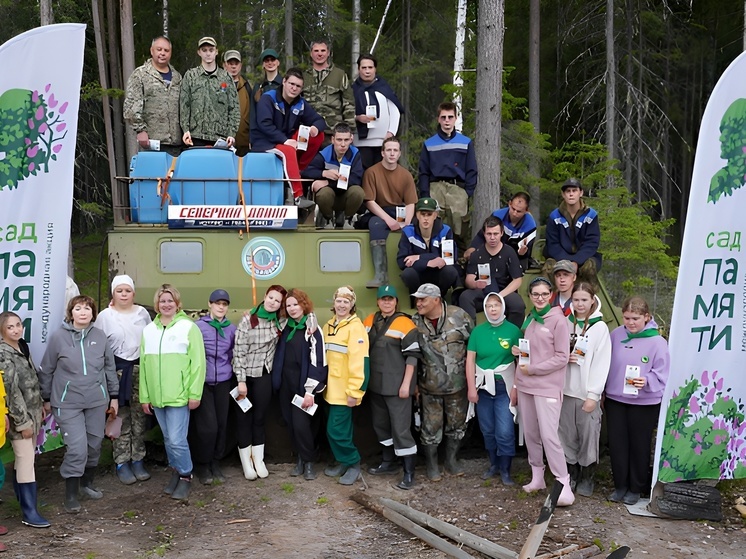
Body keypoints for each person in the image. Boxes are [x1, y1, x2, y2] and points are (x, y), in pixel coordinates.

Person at [39, 295, 119, 513]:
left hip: (96, 400)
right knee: (77, 448)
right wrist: (46, 399)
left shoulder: (100, 336)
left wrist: (114, 396)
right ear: (71, 313)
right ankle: (71, 495)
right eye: (78, 308)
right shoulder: (58, 338)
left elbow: (109, 368)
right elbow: (47, 369)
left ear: (93, 313)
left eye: (87, 308)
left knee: (94, 445)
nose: (83, 312)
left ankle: (86, 485)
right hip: (67, 402)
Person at [511, 277, 574, 507]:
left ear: (551, 295)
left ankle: (563, 483)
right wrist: (520, 358)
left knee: (549, 435)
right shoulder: (531, 319)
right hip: (526, 385)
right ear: (530, 296)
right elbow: (531, 352)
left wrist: (535, 369)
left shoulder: (559, 321)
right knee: (531, 434)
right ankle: (537, 477)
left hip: (546, 386)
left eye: (543, 294)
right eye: (535, 294)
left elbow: (562, 357)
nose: (539, 298)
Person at [140, 285, 206, 501]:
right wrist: (145, 396)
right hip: (157, 397)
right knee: (168, 439)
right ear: (157, 305)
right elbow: (144, 364)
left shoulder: (188, 328)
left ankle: (186, 475)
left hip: (179, 395)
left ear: (178, 304)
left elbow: (198, 364)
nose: (166, 305)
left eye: (170, 301)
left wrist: (194, 393)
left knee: (177, 439)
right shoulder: (149, 330)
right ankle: (176, 471)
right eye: (162, 301)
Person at [605, 296, 670, 506]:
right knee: (617, 444)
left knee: (639, 445)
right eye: (627, 318)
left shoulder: (658, 342)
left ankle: (636, 487)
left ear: (646, 317)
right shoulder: (616, 335)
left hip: (644, 402)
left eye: (635, 318)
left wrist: (647, 380)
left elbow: (663, 372)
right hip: (616, 398)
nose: (630, 322)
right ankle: (620, 485)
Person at [94, 275, 152, 486]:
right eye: (120, 291)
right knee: (120, 417)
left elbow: (151, 338)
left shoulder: (142, 313)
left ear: (133, 293)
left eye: (127, 291)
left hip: (139, 369)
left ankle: (138, 458)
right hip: (117, 371)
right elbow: (99, 347)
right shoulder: (105, 316)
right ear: (113, 293)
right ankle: (121, 462)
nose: (124, 294)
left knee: (139, 417)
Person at [412, 283, 473, 481]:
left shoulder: (459, 316)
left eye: (423, 299)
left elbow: (473, 346)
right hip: (428, 387)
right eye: (417, 299)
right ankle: (431, 465)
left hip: (457, 386)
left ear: (436, 300)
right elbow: (410, 356)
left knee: (457, 426)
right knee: (430, 429)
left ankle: (451, 461)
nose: (418, 303)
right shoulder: (414, 322)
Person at [363, 285, 421, 490]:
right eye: (383, 299)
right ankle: (388, 463)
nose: (386, 302)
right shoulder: (370, 320)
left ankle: (408, 473)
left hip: (398, 386)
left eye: (390, 299)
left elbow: (413, 357)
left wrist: (407, 385)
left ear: (396, 301)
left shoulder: (405, 323)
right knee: (381, 426)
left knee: (401, 429)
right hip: (376, 385)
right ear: (378, 301)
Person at [559, 282, 611, 497]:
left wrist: (593, 394)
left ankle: (587, 475)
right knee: (566, 435)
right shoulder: (565, 322)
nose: (579, 304)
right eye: (576, 299)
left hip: (586, 392)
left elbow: (601, 361)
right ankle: (569, 473)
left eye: (584, 300)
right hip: (565, 390)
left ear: (592, 300)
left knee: (588, 436)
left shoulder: (599, 327)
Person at [232, 285, 288, 481]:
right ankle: (246, 463)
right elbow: (238, 351)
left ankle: (259, 460)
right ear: (265, 297)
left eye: (277, 300)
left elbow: (304, 314)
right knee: (244, 419)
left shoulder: (280, 321)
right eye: (271, 298)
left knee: (260, 418)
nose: (273, 302)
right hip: (246, 376)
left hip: (265, 375)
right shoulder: (249, 319)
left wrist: (313, 318)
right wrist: (241, 381)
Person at [465, 293, 521, 485]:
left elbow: (520, 361)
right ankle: (493, 465)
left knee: (504, 430)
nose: (493, 309)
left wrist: (515, 388)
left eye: (496, 305)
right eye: (489, 306)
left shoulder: (514, 331)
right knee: (487, 429)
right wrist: (471, 388)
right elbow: (470, 360)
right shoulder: (478, 332)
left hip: (504, 385)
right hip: (483, 387)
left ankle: (506, 470)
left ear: (502, 307)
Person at [0, 312, 50, 528]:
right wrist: (22, 422)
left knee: (25, 460)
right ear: (2, 330)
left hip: (33, 411)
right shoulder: (4, 353)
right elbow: (11, 390)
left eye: (18, 325)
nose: (16, 330)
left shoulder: (22, 346)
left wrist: (39, 405)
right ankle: (29, 511)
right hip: (20, 417)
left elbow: (31, 380)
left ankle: (23, 502)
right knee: (26, 460)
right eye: (10, 327)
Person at [271, 289, 327, 481]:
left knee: (302, 425)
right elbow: (266, 310)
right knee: (291, 424)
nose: (292, 308)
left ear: (304, 305)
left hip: (304, 386)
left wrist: (310, 391)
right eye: (289, 305)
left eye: (296, 304)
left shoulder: (312, 329)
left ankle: (310, 461)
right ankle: (301, 460)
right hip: (286, 384)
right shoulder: (285, 326)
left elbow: (318, 361)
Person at [252, 68, 325, 206]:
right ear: (284, 82)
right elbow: (264, 124)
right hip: (265, 142)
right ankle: (298, 196)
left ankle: (298, 170)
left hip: (286, 140)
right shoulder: (268, 98)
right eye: (291, 84)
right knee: (288, 150)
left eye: (298, 86)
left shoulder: (300, 103)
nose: (294, 88)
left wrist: (315, 127)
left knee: (318, 136)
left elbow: (320, 121)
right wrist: (285, 141)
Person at [323, 286, 369, 486]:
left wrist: (355, 391)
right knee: (337, 430)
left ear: (352, 305)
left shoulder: (355, 327)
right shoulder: (328, 326)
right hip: (329, 390)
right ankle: (343, 461)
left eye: (346, 301)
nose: (341, 305)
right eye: (339, 301)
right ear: (334, 303)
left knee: (336, 430)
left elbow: (360, 361)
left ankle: (353, 464)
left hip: (344, 391)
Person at [418, 102, 478, 248]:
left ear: (455, 118)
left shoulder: (465, 142)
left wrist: (467, 192)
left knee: (459, 225)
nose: (446, 121)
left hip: (457, 188)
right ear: (438, 119)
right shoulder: (429, 144)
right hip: (435, 187)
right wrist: (425, 194)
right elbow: (423, 171)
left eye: (450, 117)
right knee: (436, 224)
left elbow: (471, 169)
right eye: (443, 117)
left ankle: (460, 258)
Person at [192, 289, 236, 485]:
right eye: (217, 303)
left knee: (221, 424)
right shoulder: (198, 327)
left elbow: (236, 352)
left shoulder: (231, 328)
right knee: (206, 427)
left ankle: (216, 462)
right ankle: (203, 463)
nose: (221, 307)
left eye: (224, 304)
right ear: (209, 304)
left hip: (224, 381)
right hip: (204, 382)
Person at [360, 137, 418, 288]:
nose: (392, 153)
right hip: (379, 211)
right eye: (389, 150)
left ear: (399, 154)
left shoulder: (406, 175)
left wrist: (406, 223)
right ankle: (380, 274)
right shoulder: (371, 172)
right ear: (382, 153)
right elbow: (369, 201)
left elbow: (411, 203)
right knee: (375, 225)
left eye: (395, 150)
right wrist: (388, 220)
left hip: (401, 210)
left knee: (418, 227)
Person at [460, 215, 525, 327]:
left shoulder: (509, 252)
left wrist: (499, 296)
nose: (492, 237)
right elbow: (469, 278)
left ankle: (512, 334)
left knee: (518, 304)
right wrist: (475, 283)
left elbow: (517, 280)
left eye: (495, 234)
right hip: (483, 291)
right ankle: (472, 333)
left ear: (502, 233)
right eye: (489, 234)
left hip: (504, 291)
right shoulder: (477, 254)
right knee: (465, 297)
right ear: (484, 234)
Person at [123, 36, 183, 156]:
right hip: (152, 143)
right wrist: (140, 130)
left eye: (166, 50)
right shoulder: (140, 75)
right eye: (159, 49)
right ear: (152, 51)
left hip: (176, 144)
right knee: (153, 175)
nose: (162, 53)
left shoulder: (177, 77)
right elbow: (131, 106)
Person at [302, 122, 364, 229]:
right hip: (330, 196)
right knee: (323, 194)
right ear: (333, 139)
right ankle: (328, 219)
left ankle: (347, 219)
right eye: (339, 140)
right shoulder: (324, 153)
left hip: (347, 194)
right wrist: (324, 173)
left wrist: (328, 182)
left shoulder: (355, 154)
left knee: (358, 192)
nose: (343, 144)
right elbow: (306, 171)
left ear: (351, 139)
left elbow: (356, 179)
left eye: (346, 140)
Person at [180, 36, 240, 148]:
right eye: (204, 50)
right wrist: (185, 129)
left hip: (220, 137)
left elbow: (234, 107)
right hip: (196, 136)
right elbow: (184, 105)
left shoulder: (226, 78)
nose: (208, 54)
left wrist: (231, 133)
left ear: (216, 52)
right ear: (199, 52)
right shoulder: (190, 76)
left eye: (211, 50)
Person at [397, 197, 460, 300]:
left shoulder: (445, 230)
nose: (425, 218)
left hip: (438, 273)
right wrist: (427, 263)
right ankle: (417, 299)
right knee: (407, 274)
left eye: (429, 214)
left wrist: (418, 257)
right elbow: (401, 261)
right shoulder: (408, 231)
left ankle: (439, 298)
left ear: (435, 215)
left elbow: (450, 258)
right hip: (419, 274)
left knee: (450, 271)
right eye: (422, 214)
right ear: (417, 215)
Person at [543, 177, 602, 284]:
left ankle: (589, 297)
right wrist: (567, 263)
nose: (571, 194)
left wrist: (577, 261)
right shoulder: (554, 216)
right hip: (559, 257)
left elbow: (592, 243)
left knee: (590, 267)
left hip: (584, 257)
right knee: (549, 267)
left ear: (580, 192)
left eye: (574, 191)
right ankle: (549, 298)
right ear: (563, 194)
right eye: (568, 191)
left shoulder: (591, 215)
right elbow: (552, 244)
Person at [352, 53, 404, 169]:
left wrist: (391, 133)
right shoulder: (352, 90)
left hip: (382, 142)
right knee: (364, 176)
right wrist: (357, 118)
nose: (367, 71)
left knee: (382, 176)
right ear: (358, 69)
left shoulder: (384, 88)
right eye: (363, 68)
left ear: (375, 69)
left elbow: (394, 111)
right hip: (360, 142)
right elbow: (346, 111)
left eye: (370, 67)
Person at [464, 192, 537, 272]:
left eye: (519, 211)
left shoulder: (530, 226)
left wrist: (521, 253)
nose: (514, 213)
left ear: (526, 211)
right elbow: (482, 235)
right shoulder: (498, 215)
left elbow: (527, 252)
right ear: (509, 204)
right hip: (493, 251)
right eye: (513, 209)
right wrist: (473, 248)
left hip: (516, 257)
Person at [302, 39, 356, 140]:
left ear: (328, 53)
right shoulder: (303, 76)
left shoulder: (339, 75)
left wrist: (350, 131)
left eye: (323, 51)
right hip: (309, 131)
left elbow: (348, 104)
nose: (319, 54)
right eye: (316, 51)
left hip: (333, 131)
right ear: (311, 53)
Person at [249, 48, 282, 145]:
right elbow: (253, 113)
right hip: (261, 137)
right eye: (267, 61)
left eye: (272, 60)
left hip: (280, 135)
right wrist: (252, 137)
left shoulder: (285, 85)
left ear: (278, 62)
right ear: (263, 64)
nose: (270, 63)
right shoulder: (257, 86)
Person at [222, 49, 251, 155]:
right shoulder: (219, 85)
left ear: (240, 65)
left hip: (243, 142)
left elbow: (252, 114)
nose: (233, 67)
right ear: (224, 65)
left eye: (236, 63)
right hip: (222, 142)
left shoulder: (247, 87)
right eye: (230, 63)